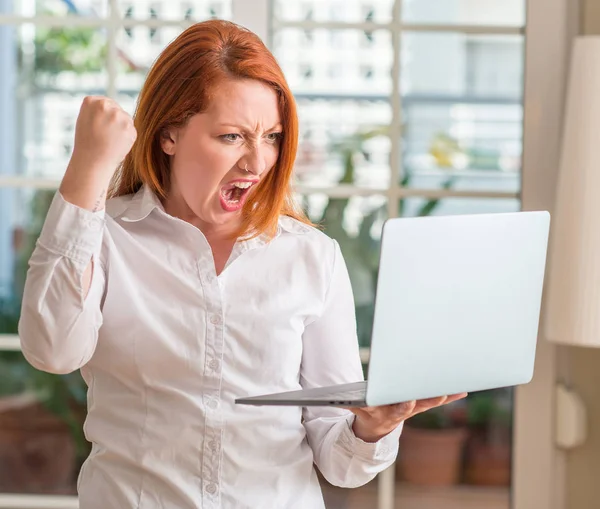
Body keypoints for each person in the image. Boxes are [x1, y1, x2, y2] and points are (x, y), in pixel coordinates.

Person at [19, 20, 465, 509]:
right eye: (232, 136)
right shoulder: (104, 237)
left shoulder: (310, 256)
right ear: (169, 134)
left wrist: (372, 425)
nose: (256, 162)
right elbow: (54, 350)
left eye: (271, 136)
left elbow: (340, 462)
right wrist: (87, 169)